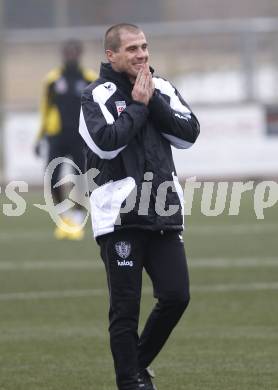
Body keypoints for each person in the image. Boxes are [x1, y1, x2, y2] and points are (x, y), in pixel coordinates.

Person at [79, 24, 200, 390]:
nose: (142, 54)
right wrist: (137, 105)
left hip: (162, 211)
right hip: (119, 217)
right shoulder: (94, 95)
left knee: (177, 296)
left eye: (144, 47)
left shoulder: (159, 87)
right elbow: (105, 144)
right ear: (111, 55)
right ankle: (130, 381)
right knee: (125, 309)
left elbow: (188, 133)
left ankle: (136, 364)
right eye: (132, 48)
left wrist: (152, 101)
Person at [35, 39, 98, 240]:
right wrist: (39, 138)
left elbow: (96, 111)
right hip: (56, 136)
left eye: (74, 53)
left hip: (80, 137)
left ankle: (78, 220)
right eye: (67, 53)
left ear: (79, 55)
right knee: (52, 178)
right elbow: (45, 109)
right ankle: (64, 218)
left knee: (82, 178)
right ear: (63, 55)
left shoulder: (90, 79)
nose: (71, 57)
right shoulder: (52, 80)